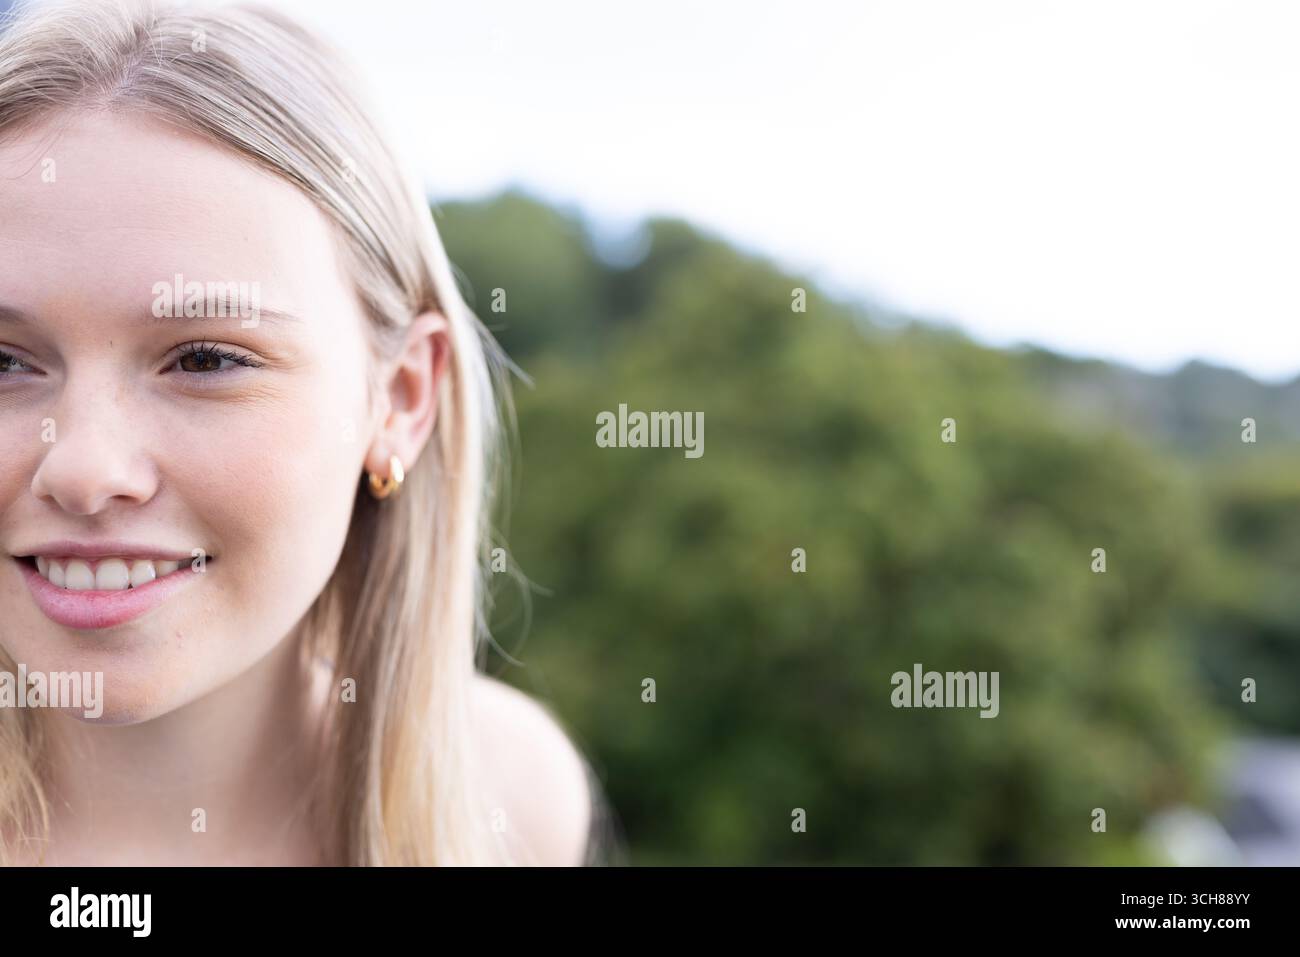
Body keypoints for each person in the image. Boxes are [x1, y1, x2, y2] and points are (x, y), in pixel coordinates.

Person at [0, 0, 615, 865]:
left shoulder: (505, 799)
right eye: (3, 361)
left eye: (206, 359)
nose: (86, 467)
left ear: (399, 398)